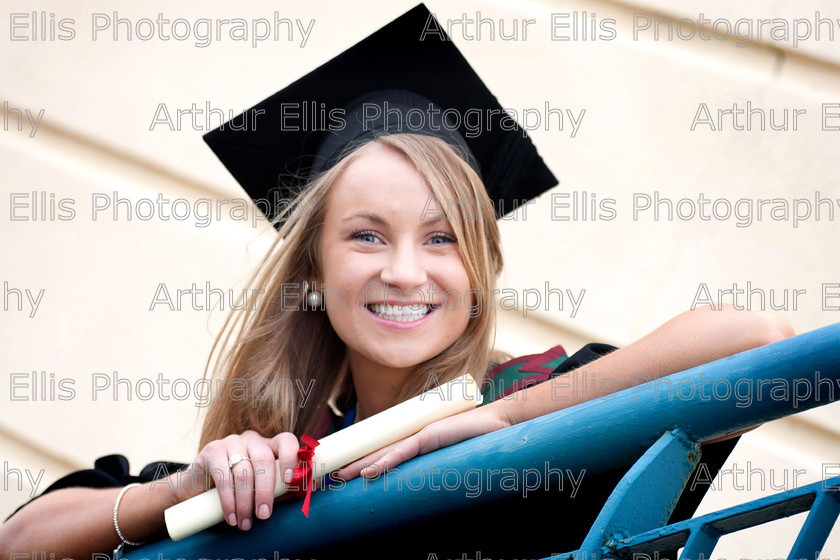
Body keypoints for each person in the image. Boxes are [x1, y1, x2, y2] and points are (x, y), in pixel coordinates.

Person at [0, 5, 793, 559]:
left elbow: (754, 342)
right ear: (313, 269)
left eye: (442, 238)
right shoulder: (276, 463)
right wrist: (187, 493)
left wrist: (511, 419)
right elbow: (21, 542)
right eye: (366, 235)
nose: (405, 270)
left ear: (479, 276)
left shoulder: (543, 425)